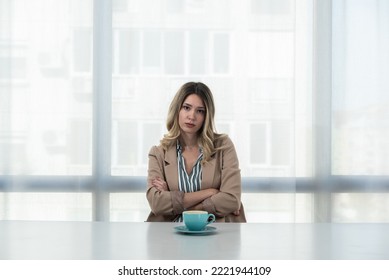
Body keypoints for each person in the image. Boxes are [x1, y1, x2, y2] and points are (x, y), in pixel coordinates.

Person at [146, 82, 246, 222]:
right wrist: (211, 193)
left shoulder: (223, 147)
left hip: (216, 235)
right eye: (186, 108)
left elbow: (231, 199)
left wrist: (174, 201)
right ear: (177, 110)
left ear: (206, 116)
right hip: (169, 236)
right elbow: (157, 203)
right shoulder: (158, 153)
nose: (192, 116)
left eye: (200, 111)